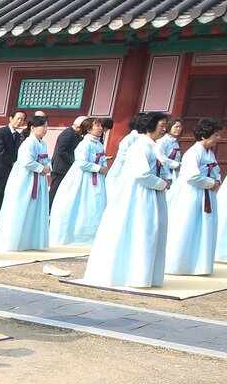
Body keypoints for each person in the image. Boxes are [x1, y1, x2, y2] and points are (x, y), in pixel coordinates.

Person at [83, 112, 171, 288]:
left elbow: (163, 166)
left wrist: (167, 179)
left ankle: (146, 274)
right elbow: (142, 174)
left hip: (152, 192)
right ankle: (134, 274)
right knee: (140, 230)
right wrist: (161, 183)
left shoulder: (155, 146)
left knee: (150, 232)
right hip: (139, 194)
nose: (164, 129)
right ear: (149, 127)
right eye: (161, 126)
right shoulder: (140, 147)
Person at [164, 119, 221, 276]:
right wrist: (212, 183)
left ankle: (199, 264)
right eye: (215, 135)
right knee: (186, 226)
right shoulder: (193, 153)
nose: (218, 138)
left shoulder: (209, 153)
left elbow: (215, 170)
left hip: (205, 193)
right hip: (191, 194)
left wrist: (217, 181)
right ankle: (179, 264)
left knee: (203, 228)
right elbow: (192, 176)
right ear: (204, 136)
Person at [0, 115, 52, 253]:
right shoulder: (29, 143)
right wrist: (42, 168)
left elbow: (47, 159)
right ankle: (15, 241)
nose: (45, 129)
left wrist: (48, 167)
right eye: (43, 126)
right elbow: (26, 161)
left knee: (34, 210)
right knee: (21, 207)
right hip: (26, 180)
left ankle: (30, 240)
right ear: (33, 128)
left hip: (39, 179)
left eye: (46, 126)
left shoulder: (43, 144)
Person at [49, 117, 109, 248]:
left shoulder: (98, 144)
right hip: (83, 179)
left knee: (96, 205)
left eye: (100, 126)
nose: (100, 128)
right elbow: (81, 163)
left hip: (97, 179)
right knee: (80, 205)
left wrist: (104, 166)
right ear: (88, 129)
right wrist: (99, 168)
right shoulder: (84, 144)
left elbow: (102, 158)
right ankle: (76, 236)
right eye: (97, 126)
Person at [0, 111, 27, 223]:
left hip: (11, 170)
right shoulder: (1, 132)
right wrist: (12, 162)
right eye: (18, 118)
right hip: (0, 169)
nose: (19, 121)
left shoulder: (18, 135)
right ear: (11, 118)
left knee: (4, 195)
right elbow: (0, 151)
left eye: (22, 120)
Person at [49, 114, 86, 202]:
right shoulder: (67, 134)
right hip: (61, 168)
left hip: (68, 168)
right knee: (55, 191)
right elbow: (61, 151)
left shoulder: (77, 135)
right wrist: (74, 161)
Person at [157, 118, 183, 184]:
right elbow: (160, 156)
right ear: (169, 127)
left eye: (180, 127)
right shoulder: (163, 141)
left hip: (174, 172)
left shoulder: (175, 142)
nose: (178, 129)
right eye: (176, 127)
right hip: (165, 172)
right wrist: (176, 165)